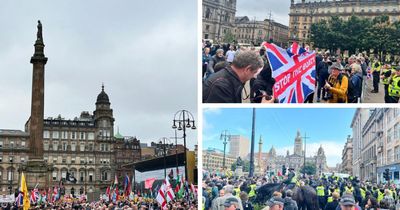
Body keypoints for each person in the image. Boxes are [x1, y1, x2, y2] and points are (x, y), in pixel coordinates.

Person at [203, 50, 273, 103]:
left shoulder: (232, 78)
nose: (254, 77)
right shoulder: (221, 86)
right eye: (254, 72)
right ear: (247, 69)